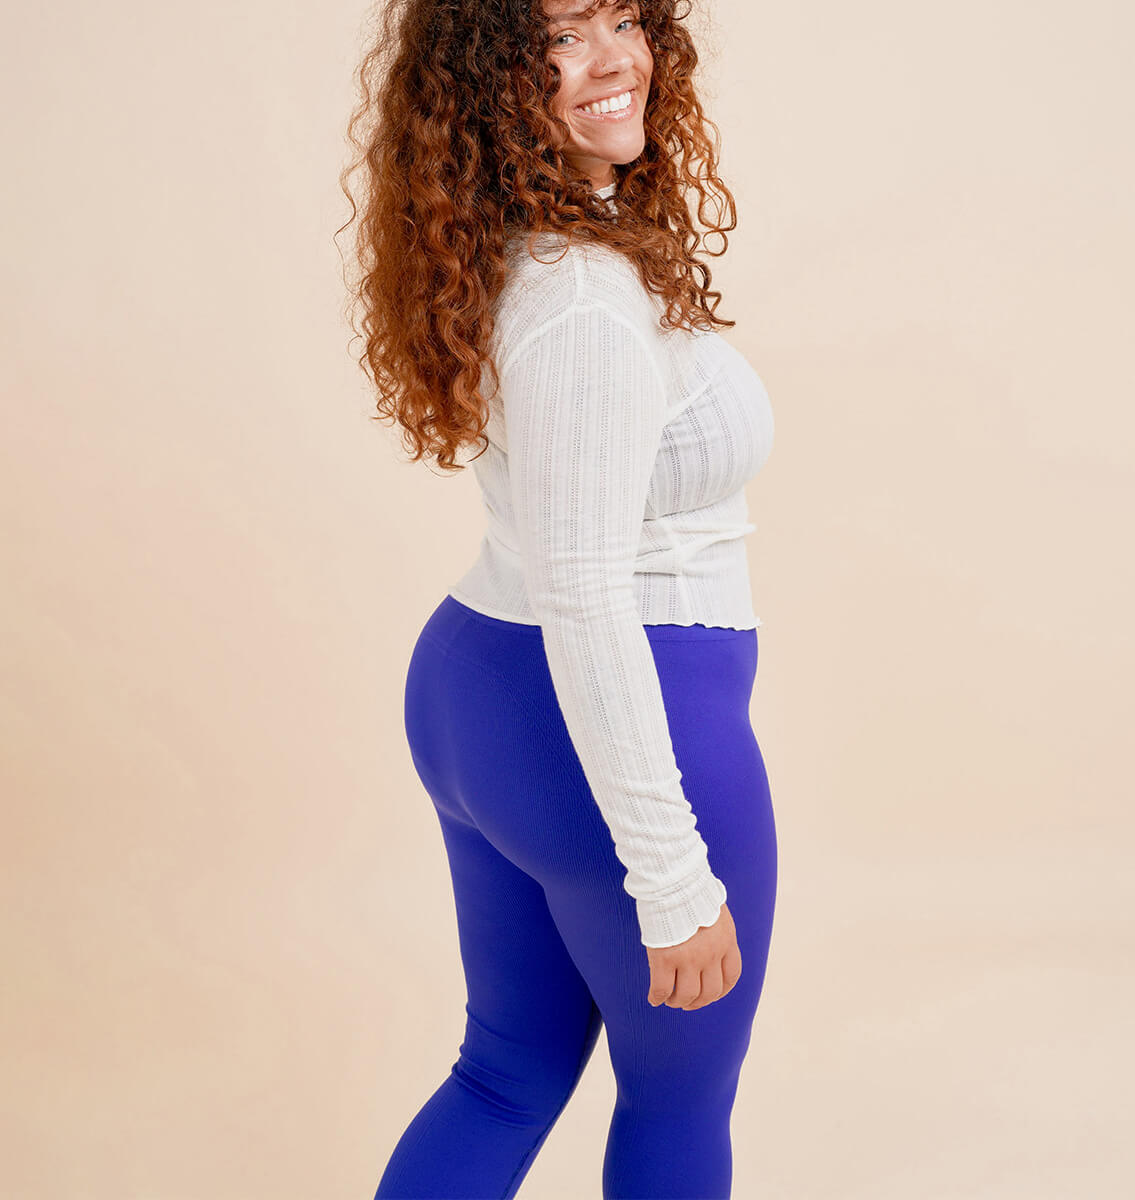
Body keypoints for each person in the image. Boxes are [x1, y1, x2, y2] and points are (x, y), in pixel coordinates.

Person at [340, 1, 777, 1195]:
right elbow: (585, 594)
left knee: (506, 1071)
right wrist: (672, 877)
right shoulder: (583, 301)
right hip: (611, 713)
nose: (613, 59)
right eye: (561, 38)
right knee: (679, 1102)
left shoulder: (530, 250)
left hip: (481, 693)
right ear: (490, 79)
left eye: (623, 18)